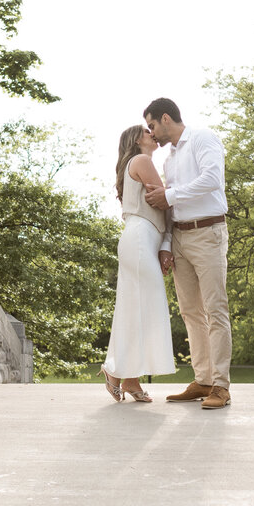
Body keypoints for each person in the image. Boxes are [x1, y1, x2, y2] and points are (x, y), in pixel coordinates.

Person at [142, 97, 232, 410]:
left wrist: (169, 194)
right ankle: (203, 379)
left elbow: (211, 180)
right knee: (190, 312)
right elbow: (172, 206)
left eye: (152, 125)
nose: (151, 133)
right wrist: (166, 245)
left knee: (215, 310)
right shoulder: (169, 159)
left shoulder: (203, 138)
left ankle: (221, 386)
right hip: (179, 237)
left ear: (166, 118)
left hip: (208, 233)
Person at [100, 125, 177, 403]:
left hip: (143, 240)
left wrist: (165, 243)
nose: (152, 133)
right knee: (145, 307)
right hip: (141, 240)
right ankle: (116, 370)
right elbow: (167, 202)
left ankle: (128, 376)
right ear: (136, 139)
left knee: (136, 308)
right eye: (147, 130)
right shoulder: (142, 161)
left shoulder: (138, 163)